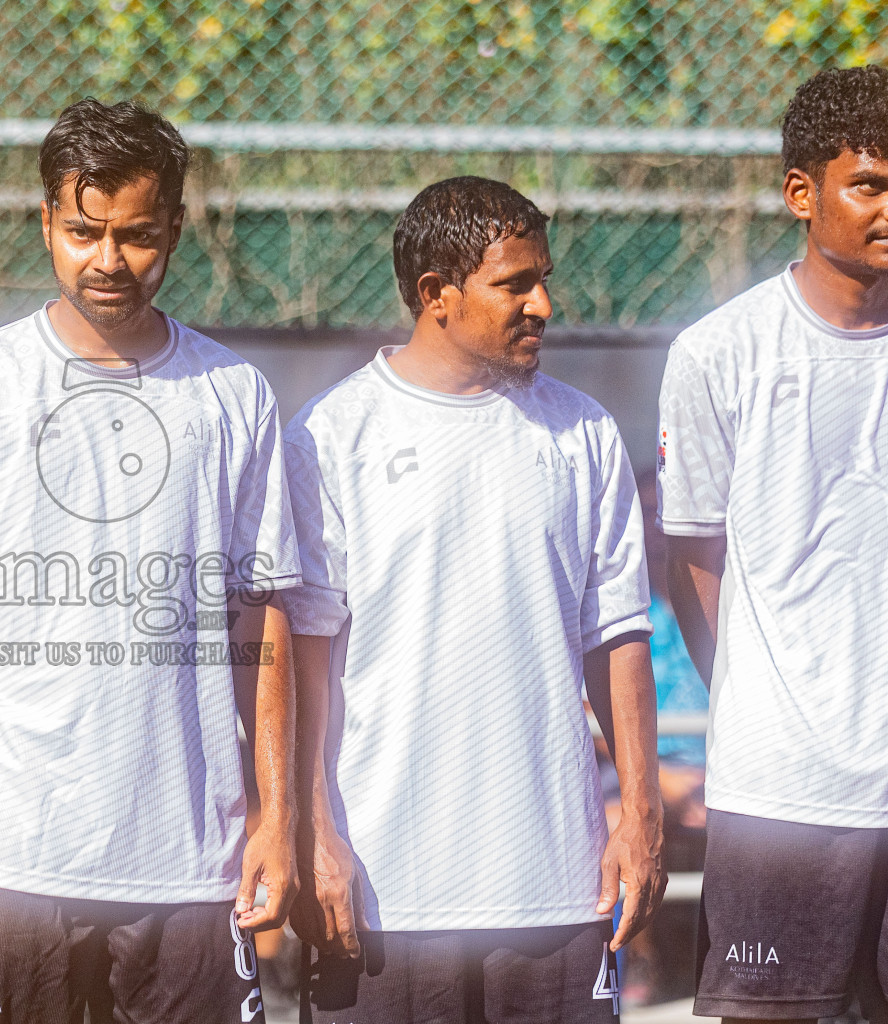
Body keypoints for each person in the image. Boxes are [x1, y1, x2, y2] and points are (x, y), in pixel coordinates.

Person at [0, 98, 300, 1024]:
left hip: (193, 866)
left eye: (138, 235)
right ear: (47, 223)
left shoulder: (234, 395)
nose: (108, 260)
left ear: (177, 231)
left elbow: (260, 615)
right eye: (83, 231)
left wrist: (276, 814)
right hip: (7, 857)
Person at [286, 176, 665, 1023]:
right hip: (384, 894)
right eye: (516, 283)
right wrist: (313, 833)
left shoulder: (584, 432)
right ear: (436, 295)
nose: (544, 302)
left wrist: (639, 817)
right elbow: (302, 664)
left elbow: (619, 637)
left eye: (545, 277)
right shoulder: (330, 437)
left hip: (557, 889)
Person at [659, 65, 888, 1024]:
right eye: (869, 184)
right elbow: (693, 567)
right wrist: (772, 698)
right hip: (782, 789)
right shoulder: (719, 353)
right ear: (803, 194)